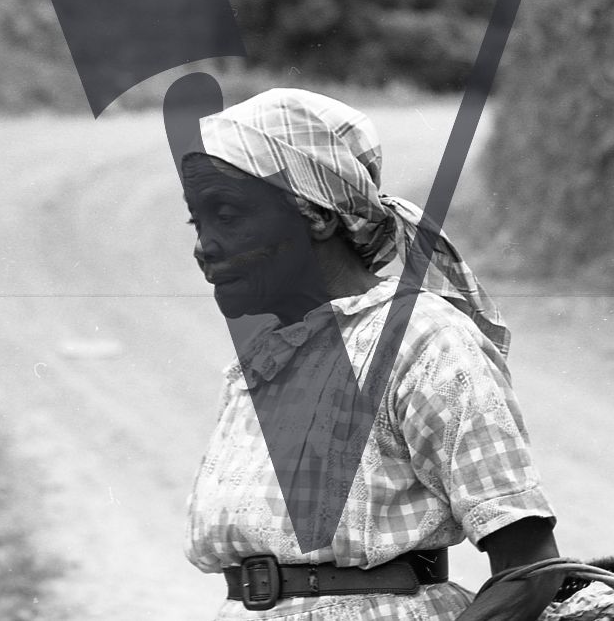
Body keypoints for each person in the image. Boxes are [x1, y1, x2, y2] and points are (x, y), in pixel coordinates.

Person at [180, 88, 560, 620]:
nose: (205, 245)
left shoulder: (421, 342)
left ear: (316, 215)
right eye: (198, 221)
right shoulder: (263, 365)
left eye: (227, 213)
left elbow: (530, 565)